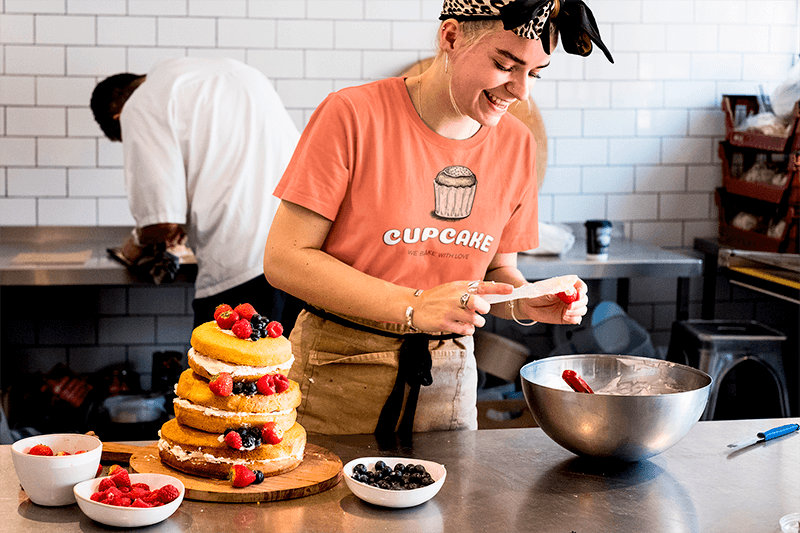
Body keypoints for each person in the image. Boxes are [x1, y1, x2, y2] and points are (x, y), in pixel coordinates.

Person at [263, 0, 613, 438]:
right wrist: (412, 306)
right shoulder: (353, 115)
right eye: (505, 64)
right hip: (337, 371)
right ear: (450, 37)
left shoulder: (517, 145)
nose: (522, 91)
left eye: (535, 73)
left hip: (447, 379)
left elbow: (497, 270)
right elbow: (285, 258)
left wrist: (524, 300)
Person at [91, 57, 301, 330]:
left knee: (226, 369)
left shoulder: (142, 104)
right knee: (287, 369)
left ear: (118, 117)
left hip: (240, 268)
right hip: (300, 254)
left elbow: (160, 225)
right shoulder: (234, 73)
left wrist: (137, 241)